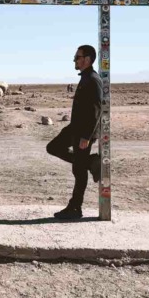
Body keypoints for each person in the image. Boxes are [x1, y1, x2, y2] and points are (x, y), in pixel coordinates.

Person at [46, 45, 103, 219]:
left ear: (87, 59)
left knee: (78, 171)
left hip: (83, 132)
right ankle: (90, 161)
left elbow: (96, 110)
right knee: (53, 147)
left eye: (77, 57)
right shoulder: (86, 78)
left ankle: (75, 207)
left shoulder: (93, 79)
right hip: (75, 128)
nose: (74, 60)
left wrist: (86, 136)